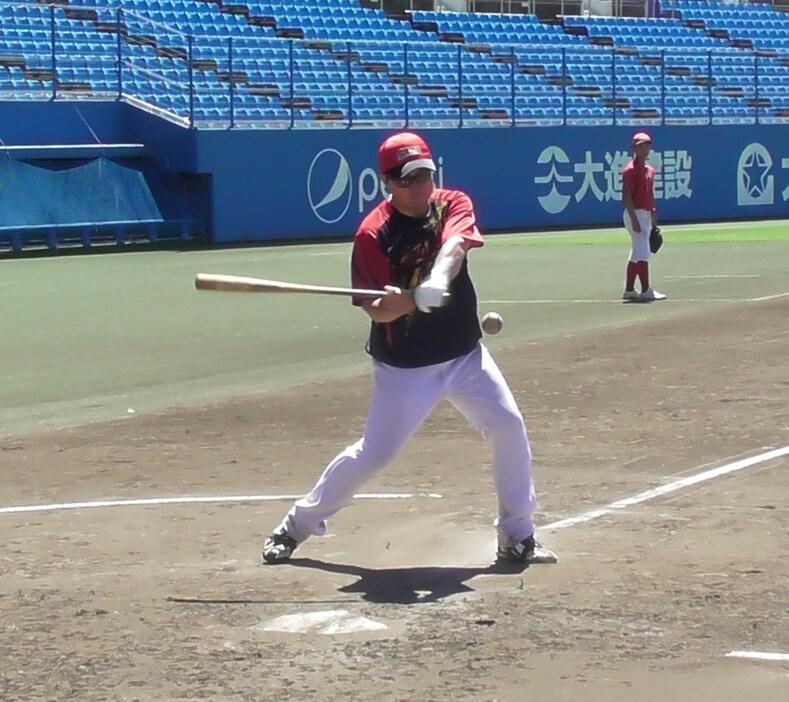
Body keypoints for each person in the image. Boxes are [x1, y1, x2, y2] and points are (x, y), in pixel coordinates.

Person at [262, 131, 557, 567]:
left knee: (509, 428)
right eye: (408, 180)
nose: (419, 187)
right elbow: (378, 311)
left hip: (464, 355)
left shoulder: (451, 203)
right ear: (387, 182)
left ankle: (517, 535)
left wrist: (435, 280)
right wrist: (407, 300)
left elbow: (456, 244)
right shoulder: (372, 235)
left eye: (424, 176)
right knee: (374, 454)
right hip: (406, 368)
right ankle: (297, 525)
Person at [621, 131, 666, 302]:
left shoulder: (649, 171)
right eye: (641, 145)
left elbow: (650, 195)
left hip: (645, 213)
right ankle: (646, 289)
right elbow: (626, 197)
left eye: (647, 145)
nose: (645, 148)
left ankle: (630, 289)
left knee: (636, 253)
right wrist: (634, 219)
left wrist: (653, 216)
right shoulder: (630, 170)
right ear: (634, 148)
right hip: (635, 213)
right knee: (643, 252)